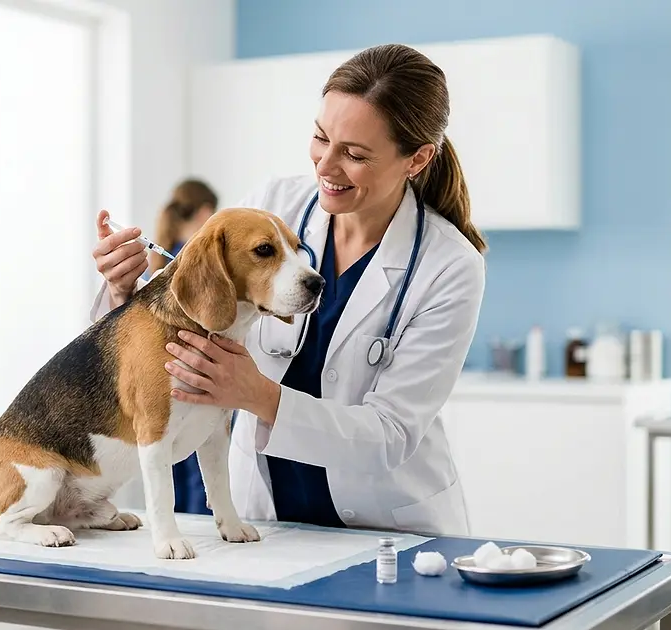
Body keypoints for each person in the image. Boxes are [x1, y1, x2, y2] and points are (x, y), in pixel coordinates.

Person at [89, 43, 487, 536]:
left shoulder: (448, 266)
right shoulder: (274, 206)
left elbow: (391, 434)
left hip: (388, 525)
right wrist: (122, 288)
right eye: (321, 138)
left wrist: (259, 396)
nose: (325, 166)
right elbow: (181, 314)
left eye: (355, 155)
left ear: (417, 159)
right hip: (264, 515)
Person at [146, 178, 219, 515]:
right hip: (190, 375)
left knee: (171, 462)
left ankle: (185, 522)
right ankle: (196, 522)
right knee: (197, 463)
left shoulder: (163, 258)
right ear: (205, 211)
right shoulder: (195, 264)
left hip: (161, 380)